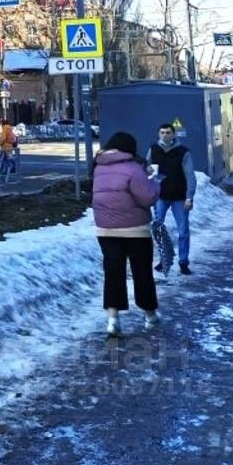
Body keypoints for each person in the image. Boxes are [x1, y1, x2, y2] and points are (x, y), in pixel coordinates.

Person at [91, 131, 161, 337]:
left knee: (113, 274)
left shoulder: (98, 167)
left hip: (106, 230)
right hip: (135, 229)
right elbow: (147, 198)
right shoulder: (133, 168)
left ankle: (113, 320)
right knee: (142, 272)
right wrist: (154, 181)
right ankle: (150, 316)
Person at [145, 123, 197, 275]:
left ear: (173, 134)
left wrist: (189, 197)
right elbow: (147, 170)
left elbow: (190, 175)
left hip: (179, 197)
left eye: (168, 132)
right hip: (160, 196)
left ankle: (183, 262)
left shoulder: (183, 152)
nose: (165, 135)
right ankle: (164, 259)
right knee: (158, 228)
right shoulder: (153, 149)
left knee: (183, 230)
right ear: (158, 134)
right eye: (162, 132)